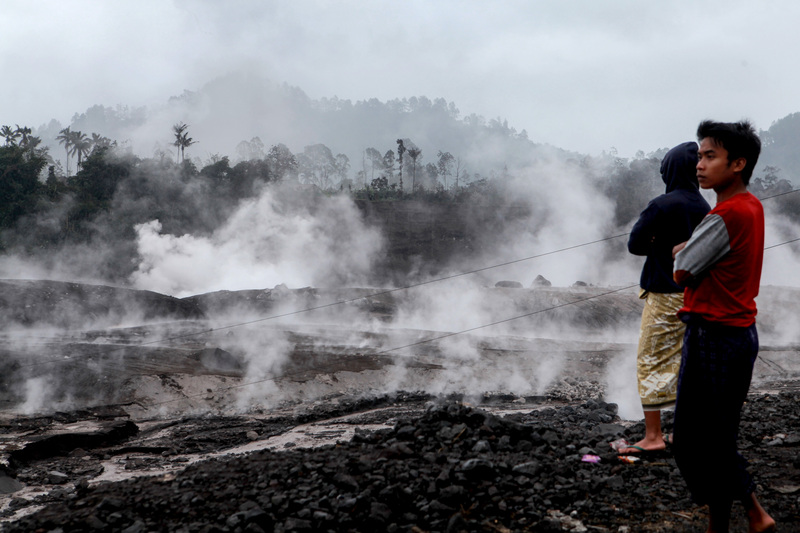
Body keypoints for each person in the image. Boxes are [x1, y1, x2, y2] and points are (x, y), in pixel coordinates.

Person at [672, 120, 775, 533]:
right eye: (699, 155)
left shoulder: (725, 214)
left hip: (713, 333)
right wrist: (691, 251)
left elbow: (681, 269)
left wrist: (684, 250)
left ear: (738, 163)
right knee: (717, 434)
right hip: (736, 332)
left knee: (698, 440)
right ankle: (726, 523)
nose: (700, 164)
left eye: (709, 156)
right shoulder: (751, 206)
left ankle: (755, 513)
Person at [619, 141, 710, 455]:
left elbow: (634, 244)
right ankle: (682, 433)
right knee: (686, 363)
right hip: (695, 296)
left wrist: (658, 244)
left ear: (669, 171)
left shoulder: (662, 204)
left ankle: (654, 436)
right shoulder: (705, 207)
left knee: (651, 361)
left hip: (663, 295)